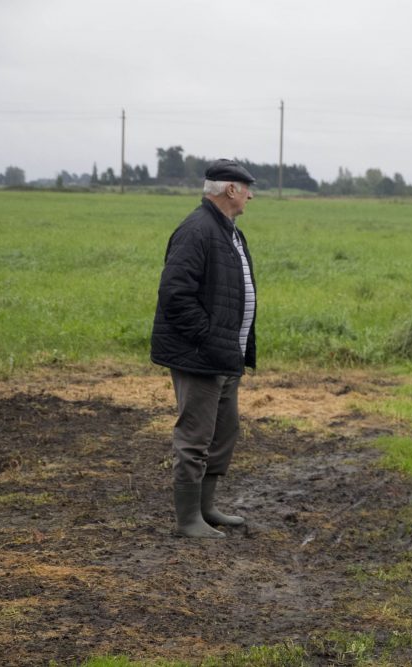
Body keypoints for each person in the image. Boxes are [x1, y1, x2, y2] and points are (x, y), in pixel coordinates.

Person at [150, 159, 258, 539]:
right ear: (230, 189)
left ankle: (206, 507)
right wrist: (208, 338)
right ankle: (188, 520)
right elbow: (175, 294)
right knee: (195, 437)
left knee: (223, 432)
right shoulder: (197, 230)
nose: (250, 196)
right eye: (247, 188)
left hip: (225, 356)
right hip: (200, 356)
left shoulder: (230, 232)